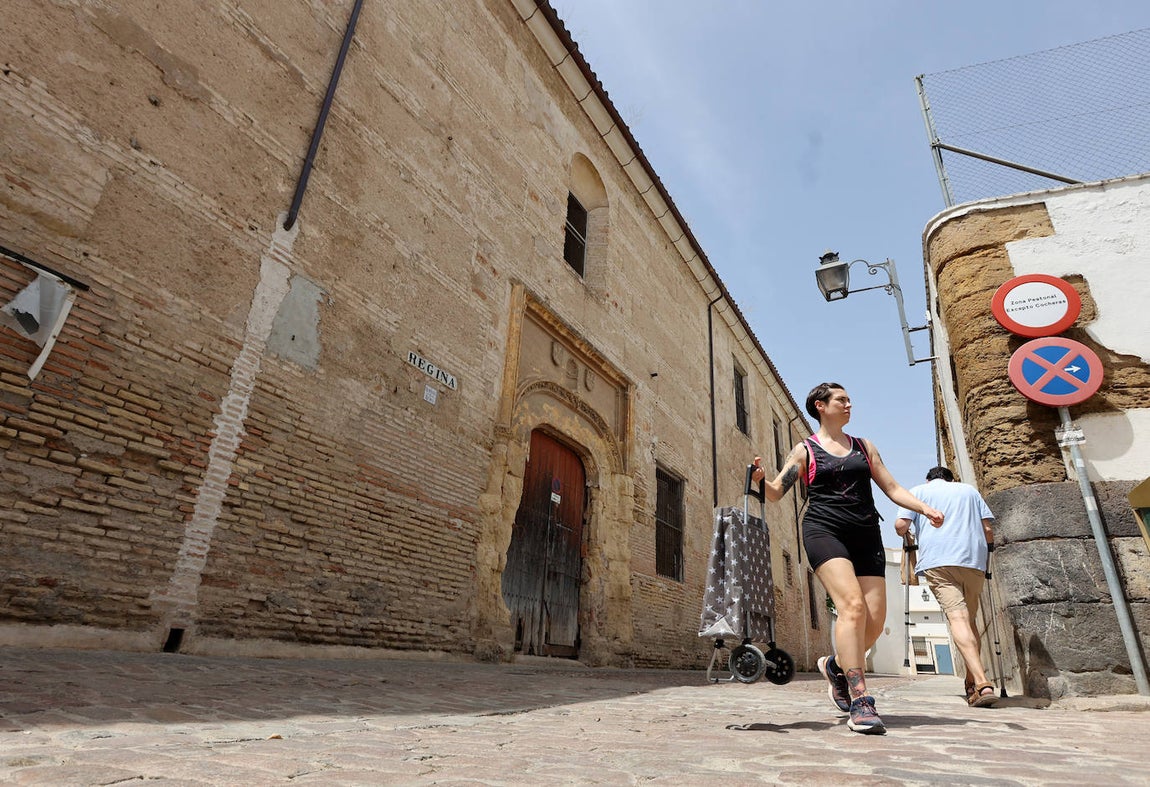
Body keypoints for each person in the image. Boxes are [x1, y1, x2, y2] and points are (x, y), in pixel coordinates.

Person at [752, 382, 943, 735]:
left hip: (866, 533)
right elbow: (777, 492)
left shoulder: (864, 447)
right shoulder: (805, 450)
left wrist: (924, 508)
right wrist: (760, 480)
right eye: (841, 399)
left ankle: (836, 665)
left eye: (849, 399)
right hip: (824, 531)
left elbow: (892, 488)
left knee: (875, 621)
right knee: (852, 607)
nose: (849, 404)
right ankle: (861, 701)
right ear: (820, 406)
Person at [894, 466, 998, 708]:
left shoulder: (917, 492)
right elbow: (988, 530)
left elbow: (900, 526)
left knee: (958, 619)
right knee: (970, 621)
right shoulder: (969, 491)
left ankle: (982, 682)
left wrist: (909, 531)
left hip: (938, 561)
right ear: (952, 479)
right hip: (973, 560)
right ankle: (972, 683)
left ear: (928, 479)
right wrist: (987, 553)